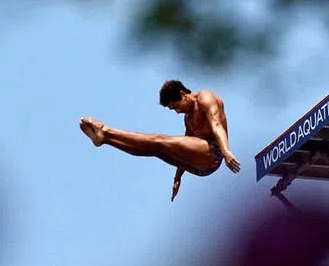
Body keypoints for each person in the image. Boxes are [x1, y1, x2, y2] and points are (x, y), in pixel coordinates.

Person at [79, 80, 240, 201]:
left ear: (183, 94)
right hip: (200, 166)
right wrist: (178, 177)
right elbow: (185, 146)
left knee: (160, 140)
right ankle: (105, 139)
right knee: (155, 149)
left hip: (215, 153)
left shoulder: (206, 98)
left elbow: (216, 123)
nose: (177, 112)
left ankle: (107, 130)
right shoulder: (188, 119)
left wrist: (226, 151)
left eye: (176, 106)